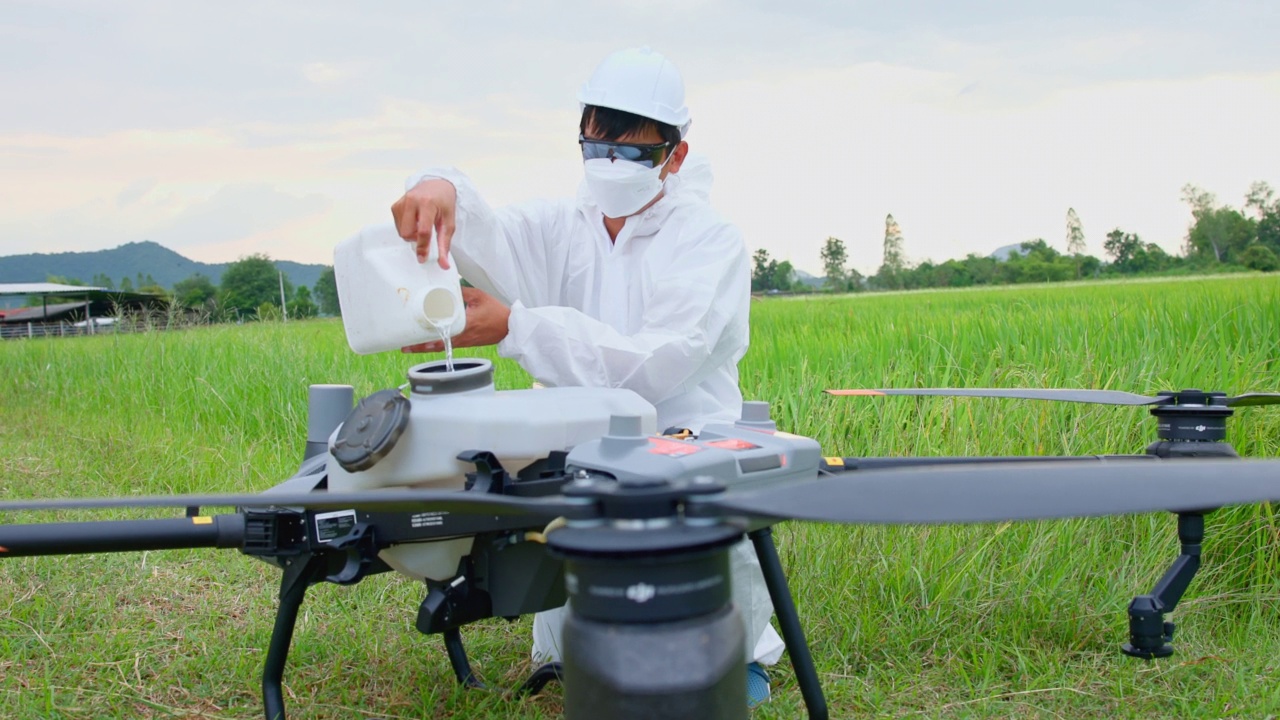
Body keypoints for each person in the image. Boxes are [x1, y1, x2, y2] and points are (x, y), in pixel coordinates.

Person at [390, 46, 782, 705]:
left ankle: (734, 662)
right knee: (567, 542)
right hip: (584, 445)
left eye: (631, 152)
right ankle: (570, 659)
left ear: (674, 156)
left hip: (686, 438)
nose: (610, 166)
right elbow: (486, 232)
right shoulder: (562, 229)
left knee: (699, 559)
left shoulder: (707, 241)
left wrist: (516, 328)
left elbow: (655, 364)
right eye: (596, 146)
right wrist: (440, 185)